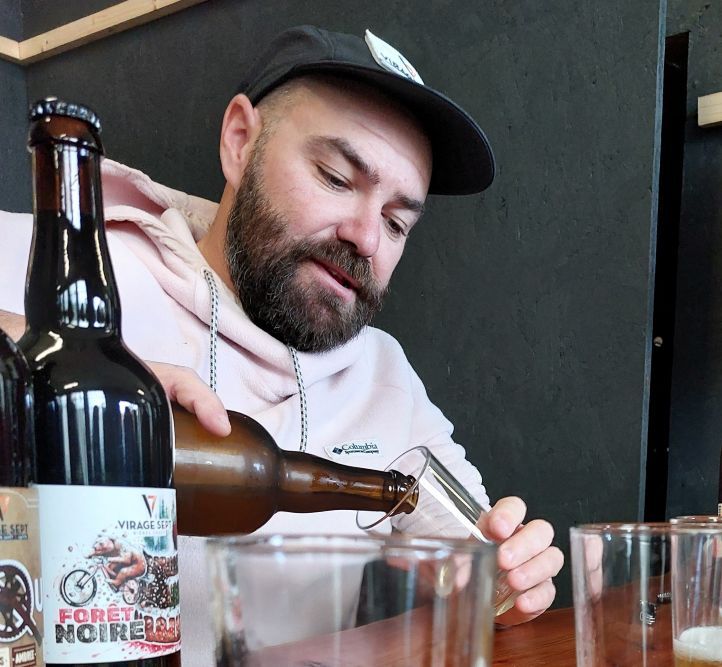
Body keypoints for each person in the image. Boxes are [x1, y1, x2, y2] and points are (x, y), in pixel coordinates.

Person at [0, 25, 563, 662]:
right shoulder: (51, 265)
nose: (366, 238)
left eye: (397, 221)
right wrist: (62, 356)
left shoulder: (385, 375)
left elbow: (485, 568)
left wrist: (513, 574)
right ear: (240, 141)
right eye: (335, 177)